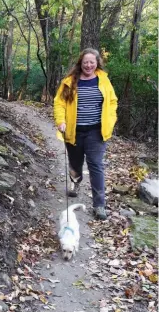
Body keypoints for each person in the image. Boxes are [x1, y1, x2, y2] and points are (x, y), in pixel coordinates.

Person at [54, 48, 118, 220]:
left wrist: (111, 121)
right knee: (75, 163)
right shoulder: (69, 81)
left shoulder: (103, 80)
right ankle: (75, 183)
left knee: (96, 165)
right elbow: (59, 103)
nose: (89, 65)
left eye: (92, 62)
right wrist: (60, 121)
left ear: (97, 63)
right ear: (80, 63)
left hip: (96, 131)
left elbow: (112, 102)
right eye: (85, 62)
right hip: (74, 131)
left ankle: (99, 205)